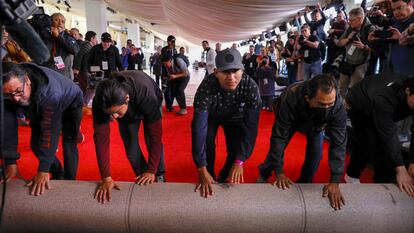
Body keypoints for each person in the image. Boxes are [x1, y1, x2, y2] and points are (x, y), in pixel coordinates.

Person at [257, 74, 347, 210]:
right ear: (308, 99)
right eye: (322, 104)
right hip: (293, 118)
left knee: (316, 154)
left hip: (317, 125)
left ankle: (305, 181)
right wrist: (279, 172)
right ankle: (264, 173)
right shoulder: (291, 96)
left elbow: (339, 143)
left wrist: (335, 180)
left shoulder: (338, 105)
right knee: (280, 146)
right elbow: (279, 137)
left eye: (330, 104)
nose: (327, 108)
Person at [0, 62, 83, 196]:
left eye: (18, 92)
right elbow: (7, 124)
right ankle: (57, 171)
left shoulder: (50, 93)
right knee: (35, 145)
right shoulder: (9, 90)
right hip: (38, 103)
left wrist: (43, 169)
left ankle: (69, 181)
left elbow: (50, 130)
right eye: (9, 95)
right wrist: (10, 160)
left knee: (69, 143)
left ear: (27, 80)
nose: (15, 99)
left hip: (70, 102)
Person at [192, 48, 261, 198]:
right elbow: (198, 129)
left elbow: (251, 129)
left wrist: (240, 160)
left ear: (242, 70)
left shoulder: (251, 87)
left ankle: (224, 175)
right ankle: (209, 175)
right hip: (211, 116)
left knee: (236, 149)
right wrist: (201, 168)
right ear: (216, 72)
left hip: (235, 116)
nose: (231, 77)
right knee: (207, 142)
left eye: (235, 71)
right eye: (225, 72)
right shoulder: (206, 87)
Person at [92, 70, 166, 203]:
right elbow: (101, 140)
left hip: (149, 98)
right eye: (110, 114)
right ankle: (144, 178)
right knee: (131, 150)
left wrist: (151, 170)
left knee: (151, 141)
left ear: (127, 99)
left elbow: (155, 137)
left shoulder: (146, 93)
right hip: (128, 112)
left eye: (116, 112)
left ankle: (159, 174)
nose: (114, 118)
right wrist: (106, 177)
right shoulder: (101, 100)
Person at [344, 73, 414, 197]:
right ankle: (351, 175)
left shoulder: (408, 94)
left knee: (385, 149)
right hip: (360, 102)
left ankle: (382, 185)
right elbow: (387, 133)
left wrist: (412, 163)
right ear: (408, 91)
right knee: (367, 142)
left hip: (379, 102)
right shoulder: (385, 98)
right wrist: (401, 169)